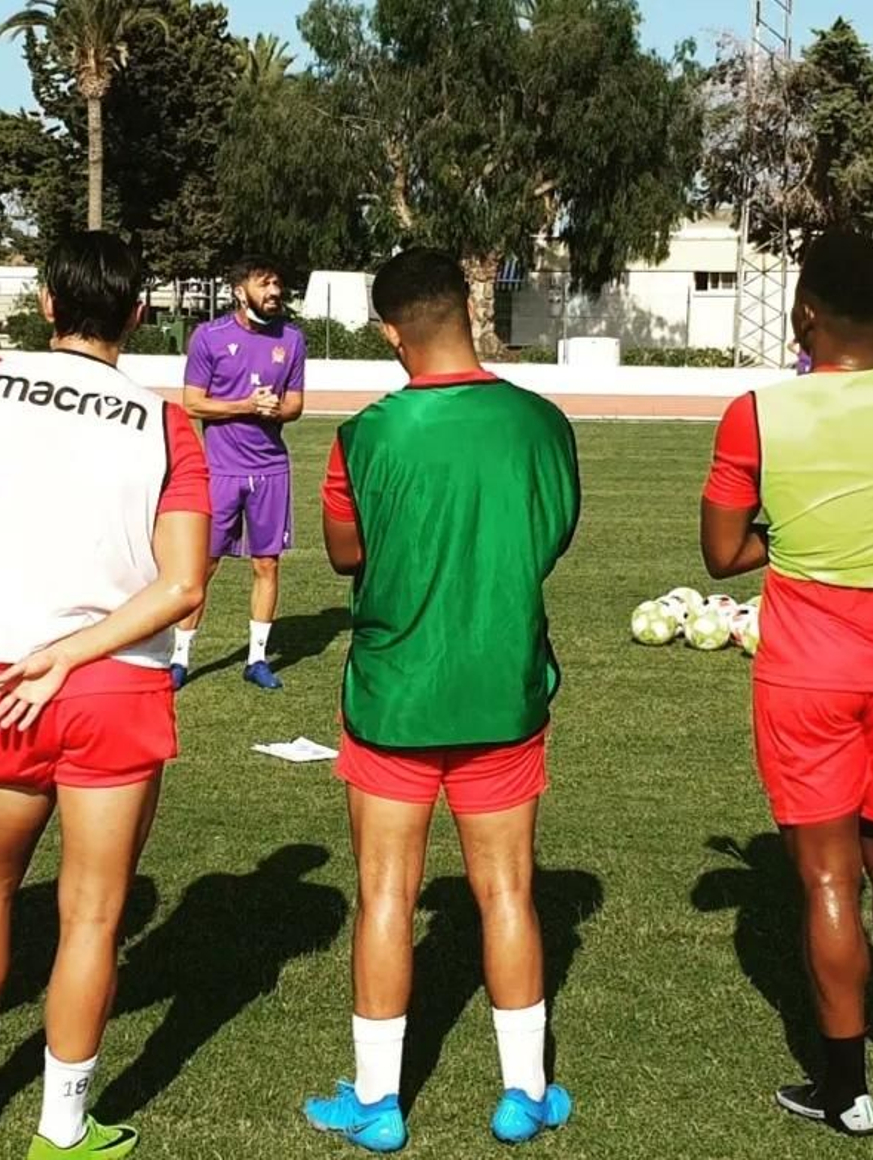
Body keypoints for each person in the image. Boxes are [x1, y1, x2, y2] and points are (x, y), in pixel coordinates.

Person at [0, 231, 210, 1159]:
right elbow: (183, 584)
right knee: (91, 917)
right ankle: (64, 1127)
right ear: (138, 314)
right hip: (114, 683)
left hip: (8, 677)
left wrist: (45, 653)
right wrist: (79, 648)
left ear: (45, 302)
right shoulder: (167, 424)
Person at [306, 248, 580, 1152]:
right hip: (501, 687)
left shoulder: (366, 434)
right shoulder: (540, 421)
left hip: (394, 692)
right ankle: (524, 1091)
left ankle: (379, 1103)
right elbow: (551, 534)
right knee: (507, 894)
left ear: (391, 332)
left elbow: (346, 554)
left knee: (385, 895)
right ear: (466, 308)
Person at [702, 231, 873, 1138]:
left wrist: (793, 541)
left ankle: (843, 1087)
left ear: (805, 307)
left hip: (807, 672)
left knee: (824, 881)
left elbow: (723, 551)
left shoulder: (760, 412)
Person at [169, 255, 305, 691]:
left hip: (271, 470)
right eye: (264, 284)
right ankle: (179, 659)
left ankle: (257, 659)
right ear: (239, 290)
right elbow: (192, 402)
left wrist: (275, 408)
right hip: (221, 471)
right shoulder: (209, 337)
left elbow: (296, 405)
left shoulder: (293, 339)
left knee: (267, 563)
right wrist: (246, 405)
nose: (274, 293)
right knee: (204, 564)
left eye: (277, 284)